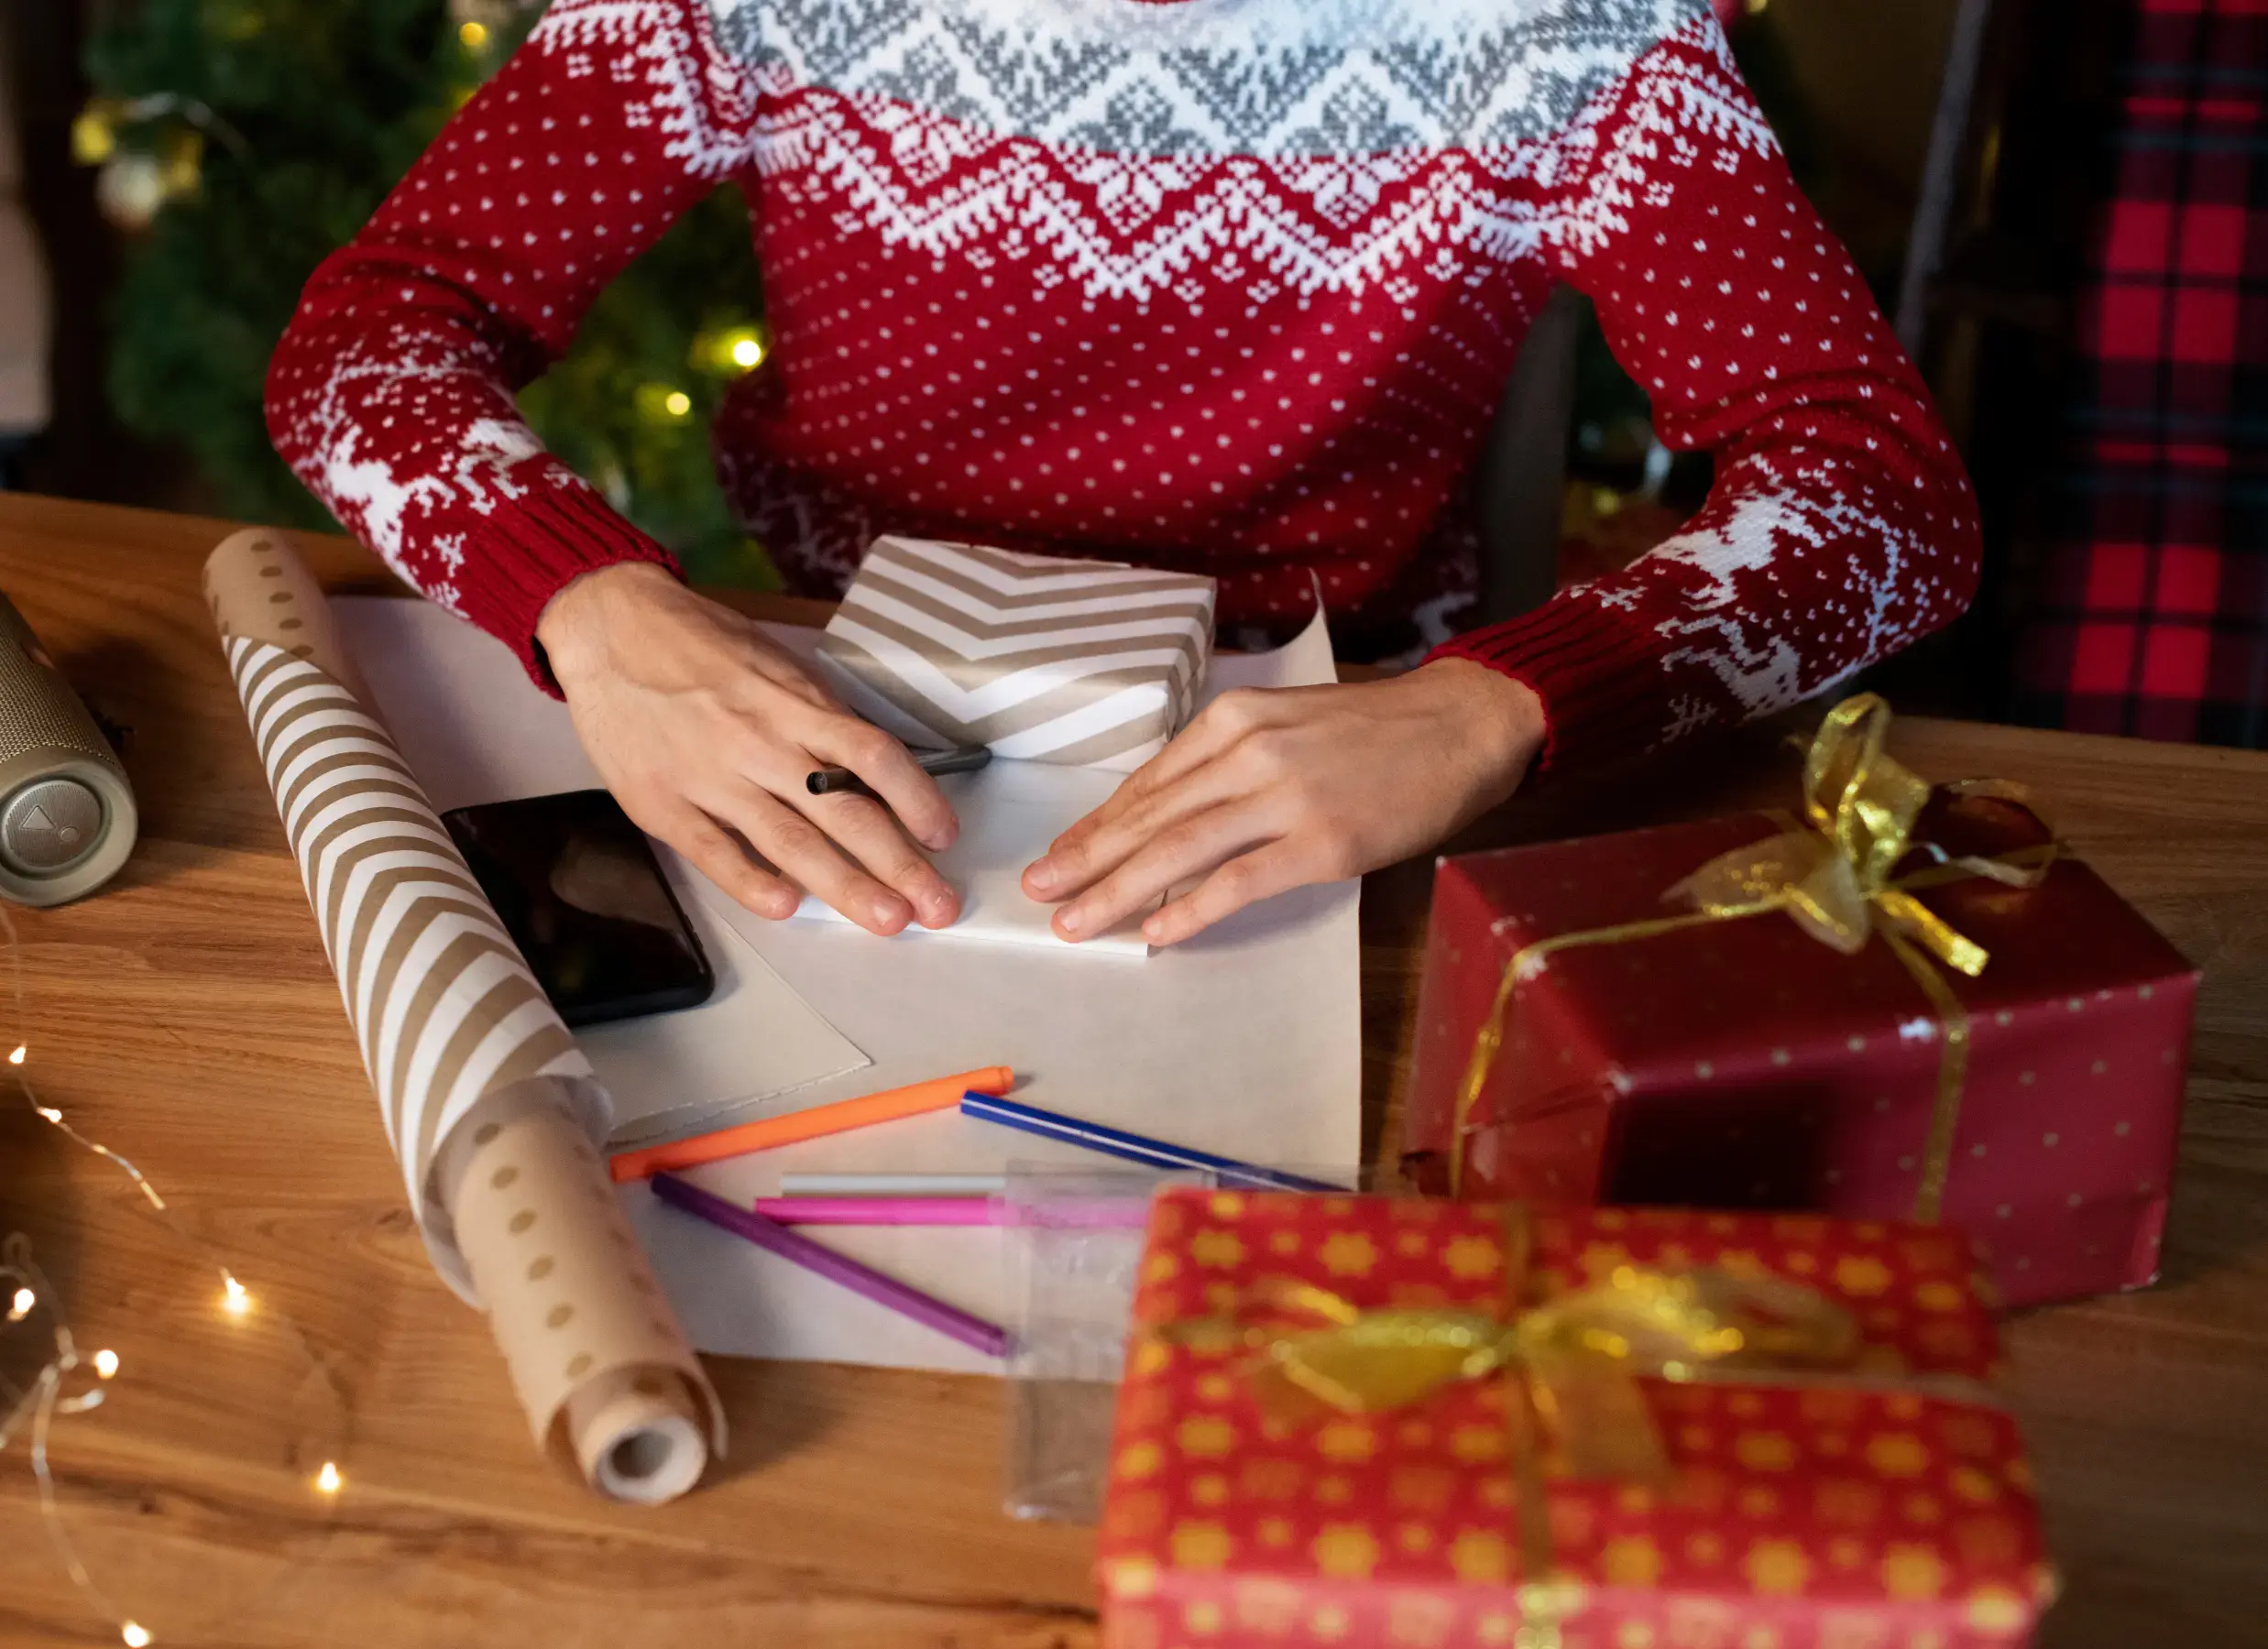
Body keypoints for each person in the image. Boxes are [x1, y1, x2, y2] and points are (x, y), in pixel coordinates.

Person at [267, 0, 1979, 947]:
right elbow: (369, 341)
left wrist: (1491, 715)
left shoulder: (1566, 32)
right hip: (827, 678)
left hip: (1331, 724)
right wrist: (592, 609)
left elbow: (1884, 498)